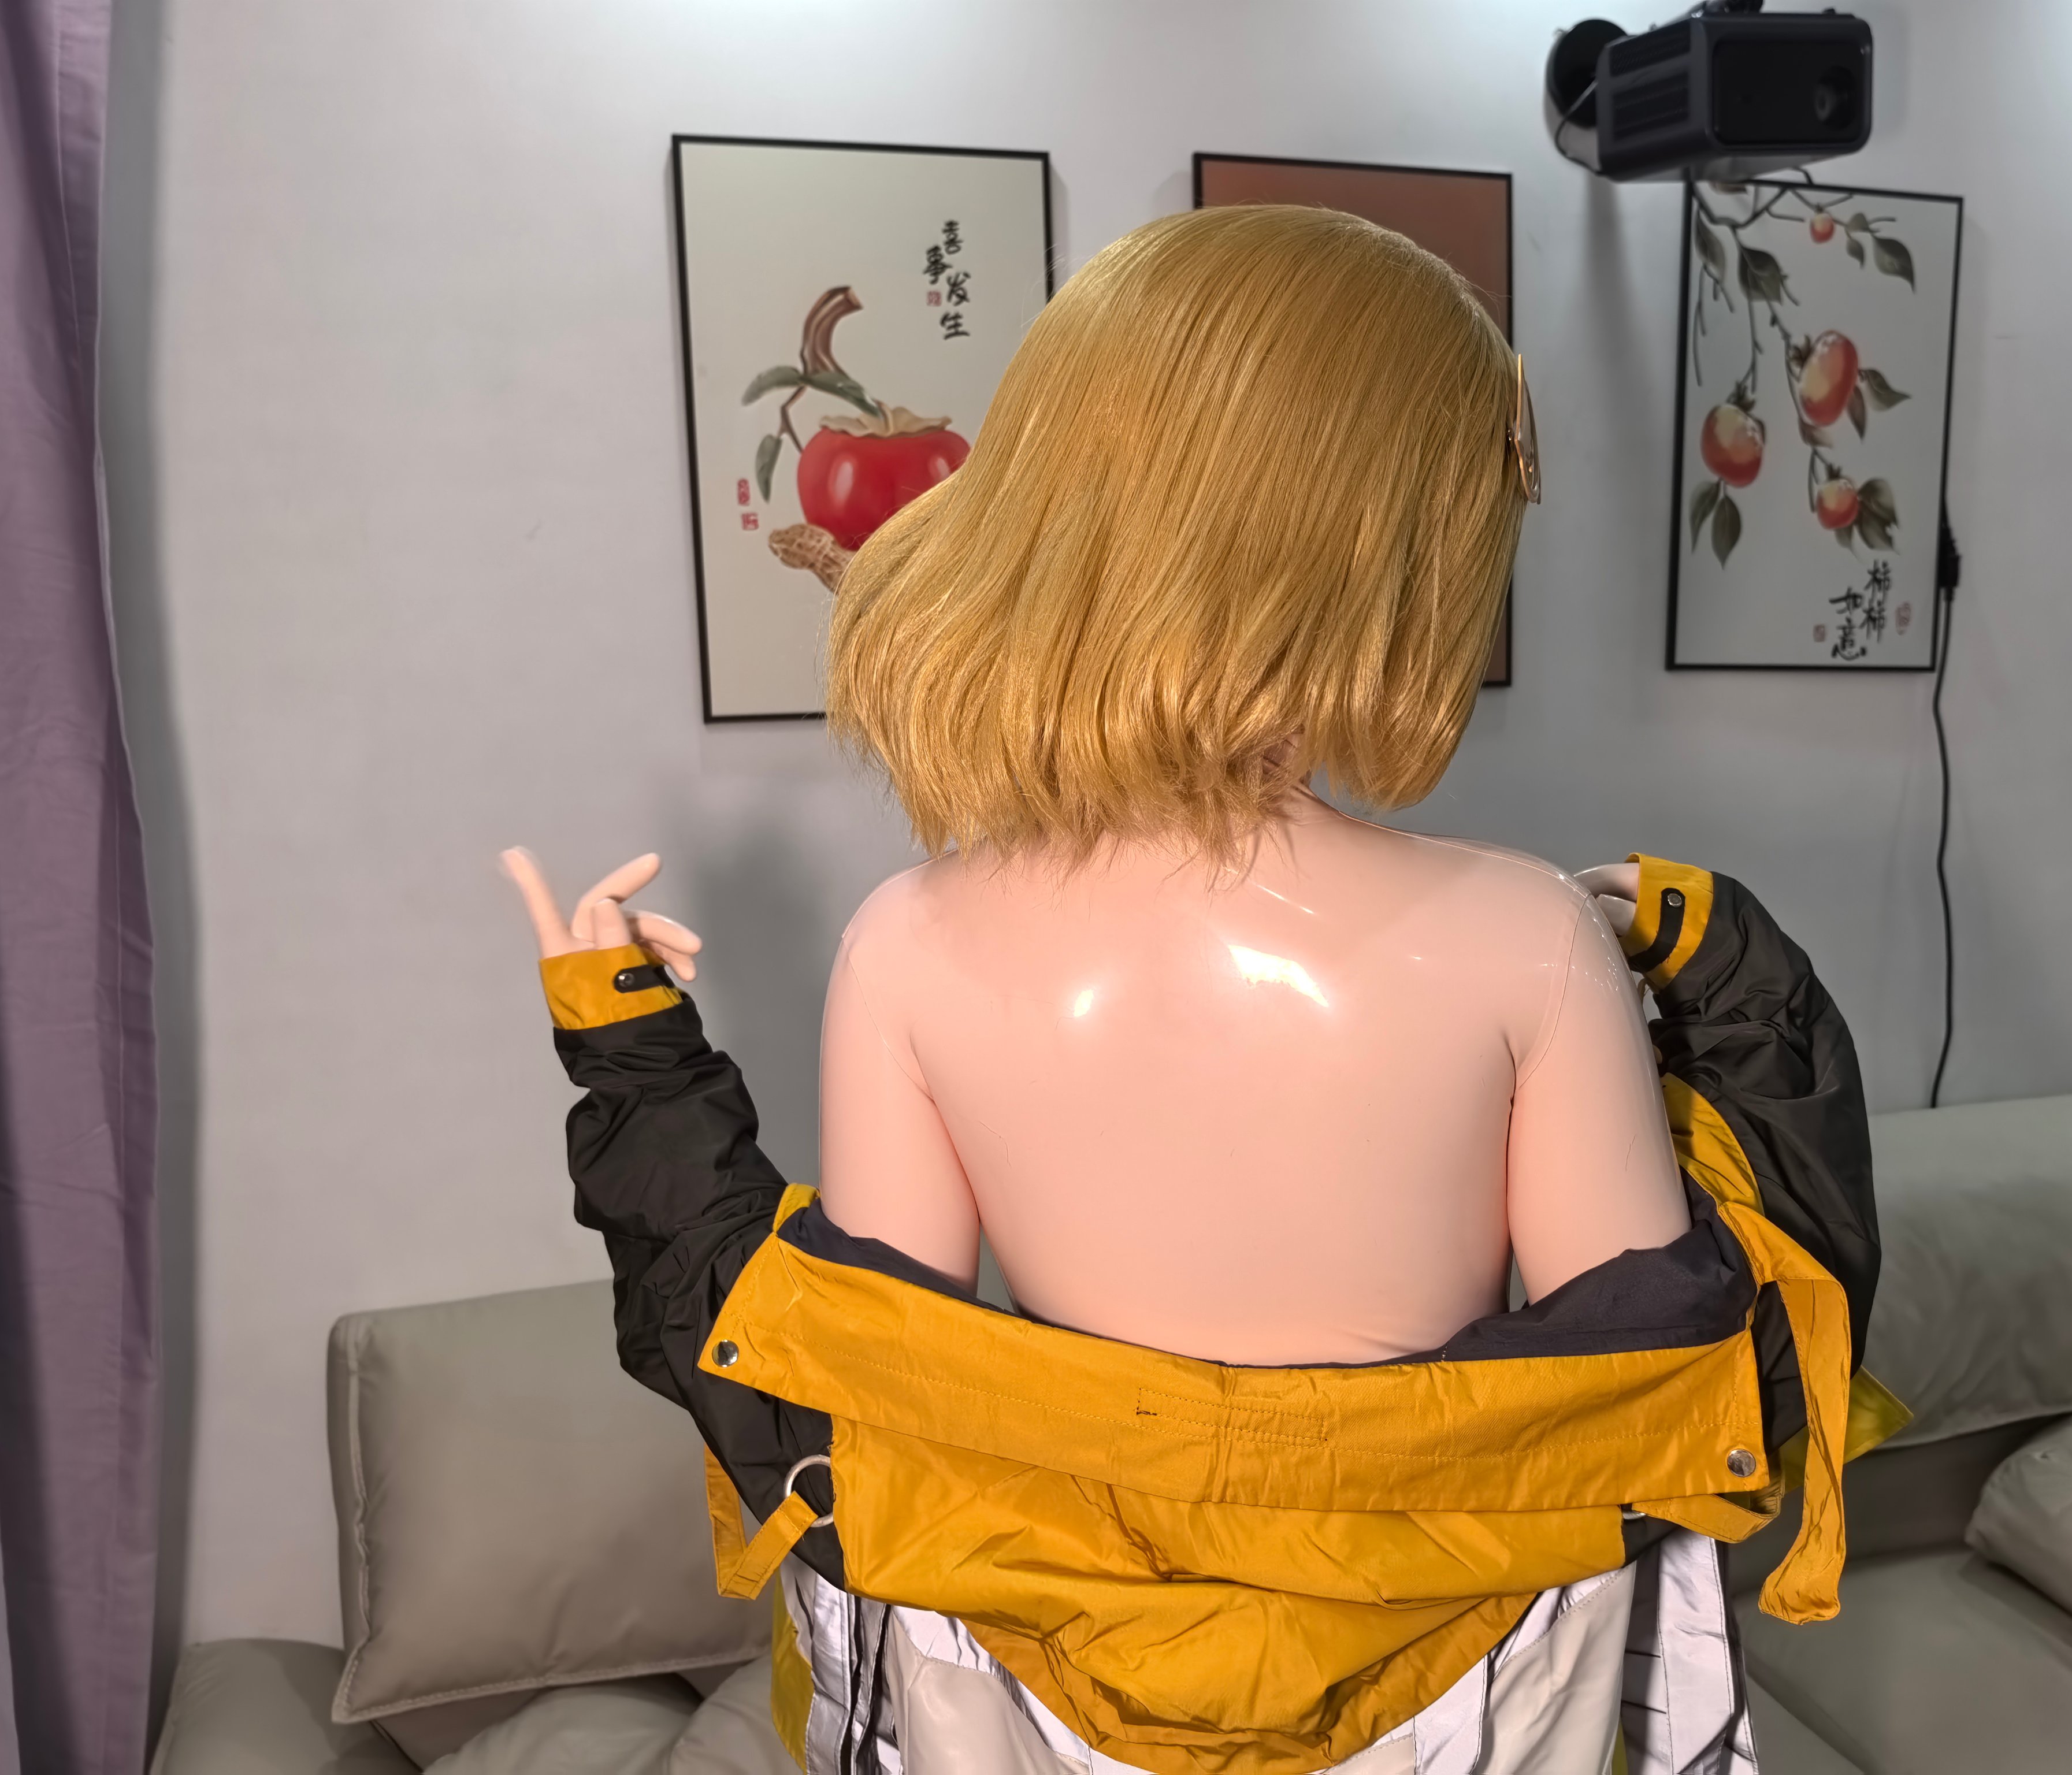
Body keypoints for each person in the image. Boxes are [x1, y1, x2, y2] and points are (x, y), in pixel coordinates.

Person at [506, 207, 1888, 1775]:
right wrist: (1731, 980)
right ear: (1388, 552)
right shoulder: (1526, 940)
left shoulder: (909, 944)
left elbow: (874, 1396)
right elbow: (1646, 1395)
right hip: (1467, 1694)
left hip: (1042, 1701)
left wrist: (635, 1059)